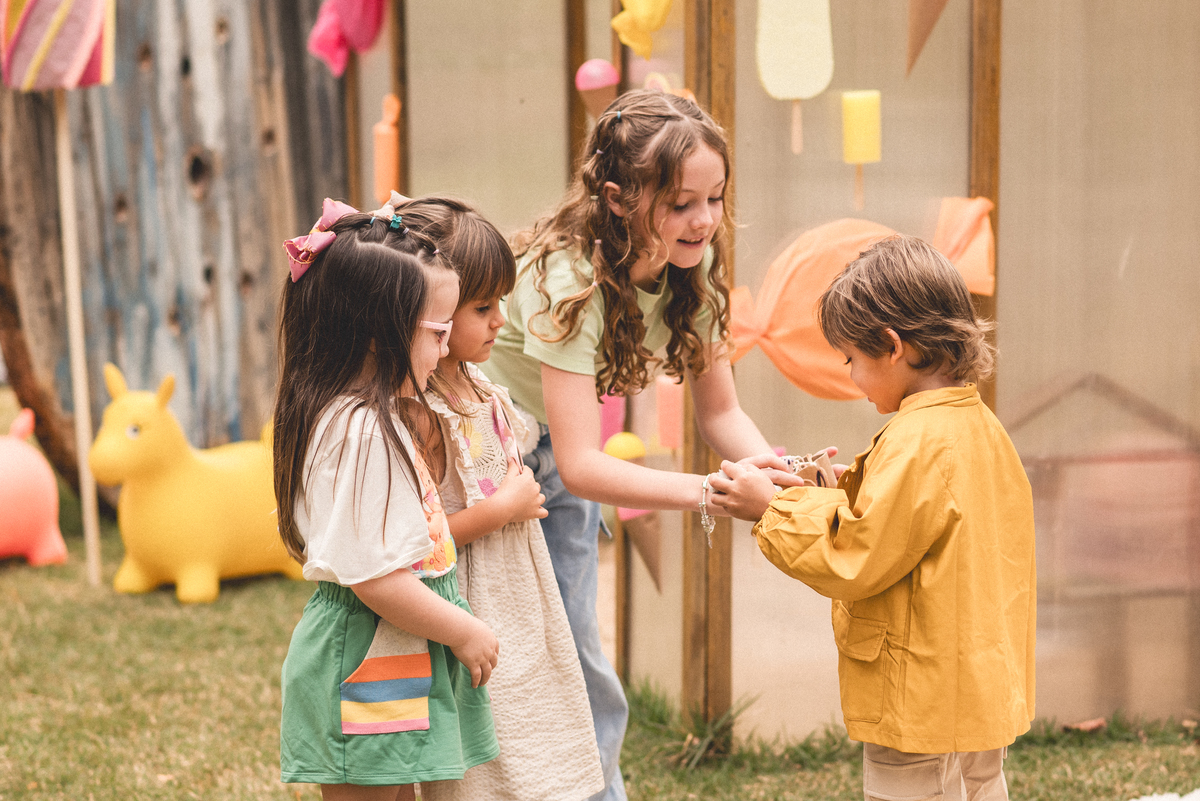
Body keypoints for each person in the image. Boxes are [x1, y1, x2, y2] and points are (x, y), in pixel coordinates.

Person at [483, 89, 801, 800]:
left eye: (715, 198)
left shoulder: (697, 275)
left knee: (574, 647)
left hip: (552, 463)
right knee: (490, 646)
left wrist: (778, 471)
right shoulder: (568, 277)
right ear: (620, 198)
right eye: (683, 202)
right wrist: (713, 491)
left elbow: (722, 413)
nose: (705, 220)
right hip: (480, 457)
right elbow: (581, 462)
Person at [710, 235, 1036, 801]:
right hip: (975, 690)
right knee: (979, 789)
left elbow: (857, 554)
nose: (850, 378)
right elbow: (913, 530)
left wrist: (772, 508)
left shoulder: (917, 441)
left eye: (851, 360)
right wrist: (822, 494)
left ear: (891, 346)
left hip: (920, 699)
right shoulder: (980, 428)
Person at [273, 199, 500, 800]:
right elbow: (375, 578)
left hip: (396, 644)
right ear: (380, 334)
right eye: (438, 333)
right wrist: (463, 630)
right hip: (371, 648)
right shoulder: (360, 432)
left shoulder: (370, 417)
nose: (446, 347)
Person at [393, 196, 604, 800]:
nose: (500, 322)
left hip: (519, 599)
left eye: (499, 304)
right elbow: (414, 542)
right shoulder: (419, 410)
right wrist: (500, 511)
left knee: (537, 749)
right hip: (469, 604)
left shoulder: (479, 384)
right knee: (488, 767)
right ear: (430, 310)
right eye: (483, 308)